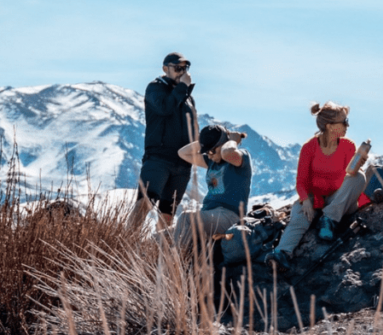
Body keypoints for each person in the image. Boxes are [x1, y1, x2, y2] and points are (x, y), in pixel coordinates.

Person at [266, 102, 368, 273]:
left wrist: (358, 165)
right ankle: (282, 253)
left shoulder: (348, 145)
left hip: (339, 199)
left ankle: (328, 219)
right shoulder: (309, 148)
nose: (347, 126)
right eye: (343, 122)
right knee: (299, 214)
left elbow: (350, 177)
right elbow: (301, 181)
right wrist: (305, 200)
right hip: (316, 198)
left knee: (359, 177)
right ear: (329, 126)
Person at [129, 52, 197, 231]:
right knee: (145, 203)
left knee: (168, 214)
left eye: (185, 68)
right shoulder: (155, 88)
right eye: (177, 68)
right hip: (158, 158)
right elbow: (165, 107)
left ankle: (158, 253)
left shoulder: (188, 99)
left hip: (182, 165)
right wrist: (182, 87)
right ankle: (124, 243)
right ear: (165, 69)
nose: (182, 72)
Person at [170, 124, 253, 254]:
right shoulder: (211, 161)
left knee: (187, 218)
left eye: (211, 151)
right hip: (208, 214)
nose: (209, 155)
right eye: (206, 152)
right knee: (160, 236)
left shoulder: (241, 157)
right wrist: (206, 142)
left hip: (229, 216)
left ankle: (173, 268)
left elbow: (227, 153)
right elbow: (183, 153)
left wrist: (232, 140)